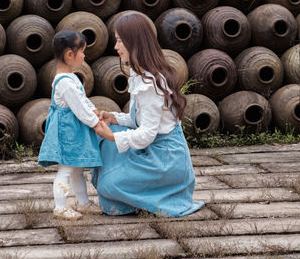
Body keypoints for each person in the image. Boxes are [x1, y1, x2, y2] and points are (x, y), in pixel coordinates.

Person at [92, 12, 204, 217]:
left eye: (119, 41)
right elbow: (139, 120)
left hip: (165, 161)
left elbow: (146, 135)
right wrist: (114, 118)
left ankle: (159, 195)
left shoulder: (151, 84)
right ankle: (136, 194)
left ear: (135, 42)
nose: (116, 47)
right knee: (109, 135)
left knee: (109, 181)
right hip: (153, 151)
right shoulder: (140, 75)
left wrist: (111, 135)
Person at [38, 30, 105, 220]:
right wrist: (95, 122)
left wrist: (94, 110)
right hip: (67, 132)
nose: (84, 56)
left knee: (77, 168)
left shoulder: (72, 78)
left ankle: (83, 203)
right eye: (82, 51)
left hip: (75, 131)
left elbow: (83, 101)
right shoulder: (64, 83)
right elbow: (78, 108)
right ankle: (60, 206)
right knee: (66, 169)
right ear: (69, 54)